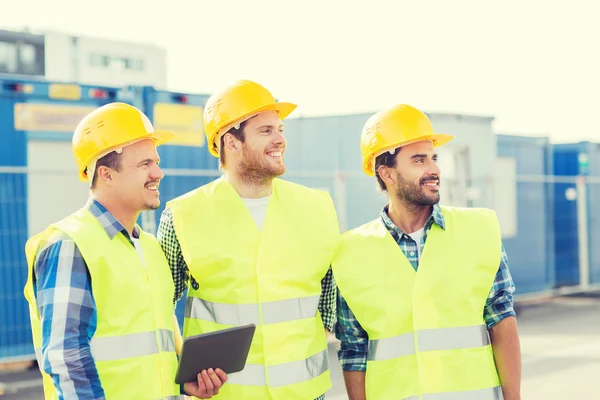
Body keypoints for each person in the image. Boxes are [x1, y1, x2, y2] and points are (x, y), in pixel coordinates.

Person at [23, 102, 226, 400]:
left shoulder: (150, 247)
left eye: (155, 161)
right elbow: (66, 357)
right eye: (144, 164)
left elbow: (151, 349)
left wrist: (183, 383)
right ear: (106, 174)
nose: (159, 172)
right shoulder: (69, 244)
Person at [157, 80, 340, 400]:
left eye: (281, 129)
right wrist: (182, 371)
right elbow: (157, 309)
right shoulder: (183, 215)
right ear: (232, 142)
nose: (280, 139)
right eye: (266, 130)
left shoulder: (317, 207)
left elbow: (328, 302)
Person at [331, 104, 522, 400]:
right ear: (387, 174)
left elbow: (502, 319)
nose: (434, 169)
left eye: (434, 158)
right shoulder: (350, 251)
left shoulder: (479, 229)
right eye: (419, 160)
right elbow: (353, 349)